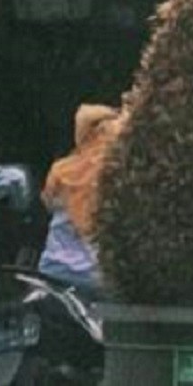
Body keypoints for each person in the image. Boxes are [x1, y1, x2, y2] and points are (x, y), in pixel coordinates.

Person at [39, 104, 120, 293]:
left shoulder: (61, 171)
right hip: (96, 279)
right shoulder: (118, 174)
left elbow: (48, 204)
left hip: (54, 270)